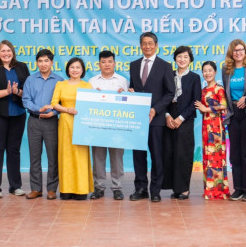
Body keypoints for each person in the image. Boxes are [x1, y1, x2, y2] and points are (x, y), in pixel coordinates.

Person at [128, 32, 175, 203]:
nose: (147, 46)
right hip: (137, 119)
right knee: (138, 155)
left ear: (156, 45)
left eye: (150, 43)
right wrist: (130, 92)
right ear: (140, 45)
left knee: (157, 155)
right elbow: (133, 87)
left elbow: (170, 93)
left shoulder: (165, 66)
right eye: (144, 43)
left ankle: (155, 190)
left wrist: (156, 109)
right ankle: (140, 188)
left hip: (156, 118)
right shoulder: (134, 65)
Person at [0, 40, 30, 198]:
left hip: (18, 114)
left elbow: (29, 91)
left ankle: (15, 186)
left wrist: (17, 92)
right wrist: (7, 91)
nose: (6, 53)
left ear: (13, 52)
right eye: (3, 51)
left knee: (14, 150)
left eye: (8, 50)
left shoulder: (22, 67)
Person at [22, 49, 64, 200]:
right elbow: (26, 100)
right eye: (40, 61)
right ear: (36, 63)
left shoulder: (59, 81)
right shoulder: (30, 80)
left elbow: (63, 103)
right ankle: (36, 189)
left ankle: (52, 189)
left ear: (52, 62)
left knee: (53, 157)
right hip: (34, 121)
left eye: (46, 61)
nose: (43, 64)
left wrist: (53, 113)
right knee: (34, 156)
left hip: (52, 122)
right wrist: (38, 109)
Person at [88, 50, 129, 200]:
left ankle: (117, 187)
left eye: (110, 61)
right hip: (98, 126)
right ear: (99, 64)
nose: (107, 64)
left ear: (114, 63)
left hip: (117, 126)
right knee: (98, 157)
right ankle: (99, 187)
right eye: (103, 62)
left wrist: (125, 95)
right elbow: (87, 103)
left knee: (117, 157)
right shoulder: (92, 82)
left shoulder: (122, 81)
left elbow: (129, 103)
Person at [162, 46, 201, 200]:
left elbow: (195, 101)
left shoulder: (194, 77)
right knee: (169, 152)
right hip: (169, 118)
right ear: (175, 59)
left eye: (185, 57)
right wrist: (166, 115)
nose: (182, 59)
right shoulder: (168, 75)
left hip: (185, 118)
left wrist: (181, 118)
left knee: (183, 153)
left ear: (190, 59)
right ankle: (175, 188)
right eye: (179, 56)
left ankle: (184, 189)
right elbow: (162, 97)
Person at [52, 57, 94, 200]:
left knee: (80, 155)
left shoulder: (87, 86)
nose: (75, 70)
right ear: (68, 69)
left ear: (82, 70)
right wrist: (66, 109)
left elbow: (92, 106)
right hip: (65, 122)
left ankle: (81, 189)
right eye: (72, 67)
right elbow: (54, 103)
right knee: (66, 155)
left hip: (82, 123)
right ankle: (66, 189)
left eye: (78, 67)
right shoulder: (60, 84)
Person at [221, 39, 246, 201]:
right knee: (235, 153)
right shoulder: (226, 69)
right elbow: (226, 91)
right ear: (231, 52)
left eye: (241, 49)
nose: (238, 53)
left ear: (245, 51)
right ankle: (238, 188)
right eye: (235, 50)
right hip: (233, 113)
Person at [194, 61, 229, 200]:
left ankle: (219, 191)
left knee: (217, 157)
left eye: (210, 70)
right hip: (205, 127)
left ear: (215, 72)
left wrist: (206, 109)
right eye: (204, 71)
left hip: (216, 127)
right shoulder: (203, 90)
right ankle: (209, 190)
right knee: (207, 157)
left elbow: (224, 105)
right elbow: (201, 108)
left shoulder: (219, 89)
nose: (207, 73)